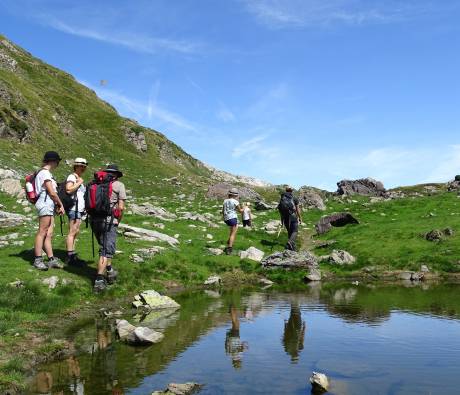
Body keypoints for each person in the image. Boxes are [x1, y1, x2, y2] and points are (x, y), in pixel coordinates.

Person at [91, 164, 126, 292]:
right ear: (116, 175)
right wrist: (118, 221)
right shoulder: (119, 185)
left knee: (104, 246)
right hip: (109, 221)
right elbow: (121, 207)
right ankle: (99, 280)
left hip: (94, 220)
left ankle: (110, 271)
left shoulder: (95, 183)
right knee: (105, 250)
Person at [33, 151, 65, 271]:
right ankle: (38, 259)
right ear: (53, 161)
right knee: (42, 231)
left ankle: (51, 259)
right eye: (57, 162)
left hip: (49, 205)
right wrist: (60, 204)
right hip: (45, 204)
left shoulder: (45, 173)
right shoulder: (45, 173)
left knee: (49, 233)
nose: (57, 164)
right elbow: (51, 192)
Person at [65, 158, 88, 266]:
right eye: (80, 166)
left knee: (76, 232)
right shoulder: (72, 177)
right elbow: (68, 189)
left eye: (84, 166)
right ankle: (70, 257)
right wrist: (79, 183)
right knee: (72, 232)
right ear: (76, 166)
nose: (83, 168)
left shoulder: (79, 178)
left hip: (79, 209)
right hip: (74, 208)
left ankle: (72, 254)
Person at [278, 186, 302, 251]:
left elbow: (281, 211)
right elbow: (297, 209)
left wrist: (282, 221)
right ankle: (290, 242)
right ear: (292, 191)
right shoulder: (294, 198)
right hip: (293, 217)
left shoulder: (282, 198)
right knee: (295, 231)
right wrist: (300, 218)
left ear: (286, 191)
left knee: (289, 232)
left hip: (285, 217)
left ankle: (291, 249)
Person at [222, 188, 243, 255]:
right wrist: (245, 208)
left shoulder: (225, 201)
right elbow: (240, 211)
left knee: (233, 229)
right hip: (232, 218)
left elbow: (223, 211)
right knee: (233, 233)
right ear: (235, 195)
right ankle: (229, 249)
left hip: (226, 218)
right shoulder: (235, 201)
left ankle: (229, 241)